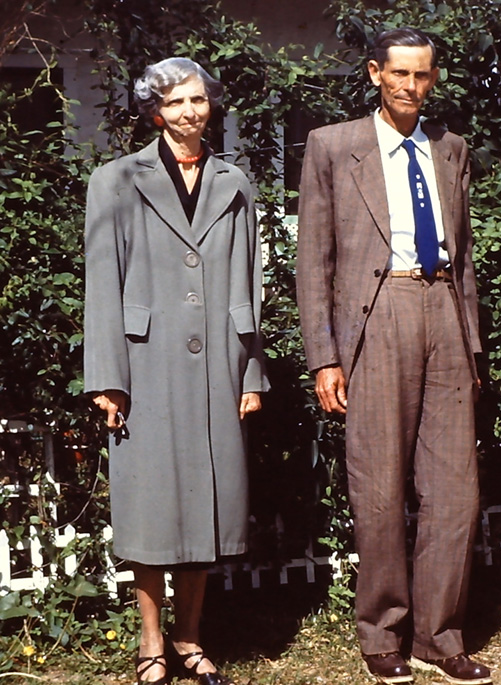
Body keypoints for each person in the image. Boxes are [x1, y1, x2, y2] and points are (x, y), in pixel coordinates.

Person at [296, 27, 491, 685]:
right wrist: (324, 355)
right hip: (376, 317)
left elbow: (463, 261)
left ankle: (440, 634)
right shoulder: (333, 146)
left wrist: (471, 342)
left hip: (443, 310)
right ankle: (382, 631)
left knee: (455, 489)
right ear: (376, 73)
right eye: (400, 74)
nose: (412, 87)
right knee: (378, 485)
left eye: (424, 76)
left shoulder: (451, 149)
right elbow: (313, 260)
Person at [84, 57, 269, 685]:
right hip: (144, 364)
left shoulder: (233, 182)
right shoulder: (114, 180)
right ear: (153, 110)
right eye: (175, 102)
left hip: (219, 361)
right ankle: (151, 644)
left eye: (198, 100)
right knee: (152, 509)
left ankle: (191, 641)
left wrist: (251, 375)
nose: (189, 112)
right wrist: (108, 377)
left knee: (207, 508)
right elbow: (101, 286)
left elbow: (251, 284)